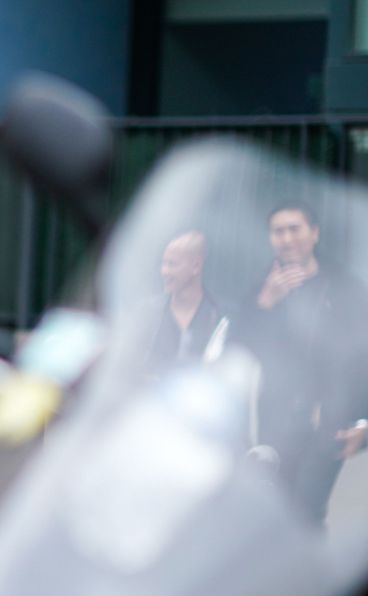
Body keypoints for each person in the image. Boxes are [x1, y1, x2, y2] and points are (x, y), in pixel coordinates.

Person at [236, 202, 368, 521]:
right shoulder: (260, 292)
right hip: (271, 431)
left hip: (328, 429)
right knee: (268, 518)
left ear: (314, 233)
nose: (286, 238)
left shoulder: (345, 289)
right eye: (277, 231)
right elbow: (238, 354)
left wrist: (365, 423)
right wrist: (265, 304)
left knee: (309, 518)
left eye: (294, 229)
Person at [142, 230, 227, 376]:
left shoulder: (221, 319)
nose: (164, 271)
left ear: (196, 266)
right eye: (163, 264)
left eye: (172, 264)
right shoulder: (147, 315)